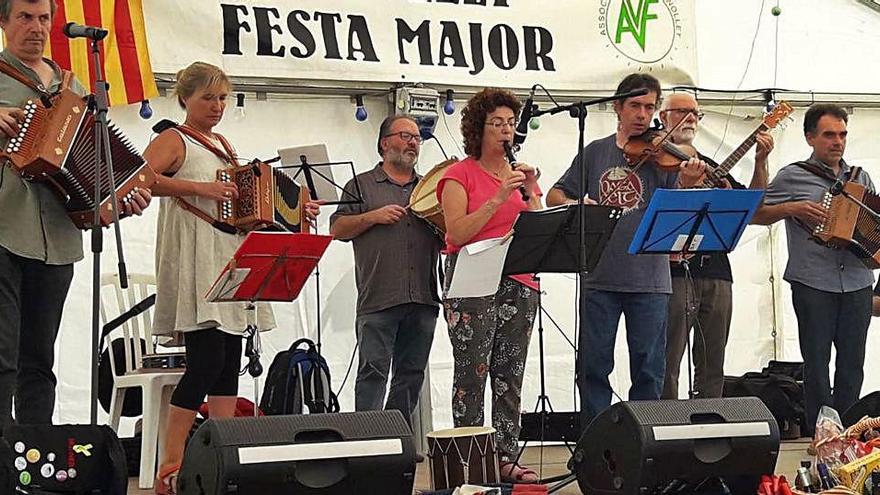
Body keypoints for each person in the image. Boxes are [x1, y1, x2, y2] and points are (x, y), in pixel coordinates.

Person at [146, 61, 319, 494]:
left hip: (227, 253)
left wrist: (296, 209)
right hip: (197, 254)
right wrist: (202, 190)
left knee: (227, 365)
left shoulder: (222, 142)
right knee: (204, 361)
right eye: (208, 97)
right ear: (186, 98)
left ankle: (222, 455)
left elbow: (246, 201)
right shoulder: (174, 138)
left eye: (222, 97)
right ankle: (170, 464)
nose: (217, 106)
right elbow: (141, 178)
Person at [0, 0, 150, 431]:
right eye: (25, 17)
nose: (37, 27)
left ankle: (33, 457)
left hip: (60, 240)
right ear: (5, 22)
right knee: (1, 356)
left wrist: (118, 199)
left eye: (44, 18)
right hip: (5, 231)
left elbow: (94, 158)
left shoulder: (73, 84)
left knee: (39, 359)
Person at [546, 73, 704, 426]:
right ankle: (595, 445)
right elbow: (554, 194)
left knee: (649, 372)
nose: (642, 115)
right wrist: (579, 205)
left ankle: (641, 446)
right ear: (617, 107)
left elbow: (677, 213)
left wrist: (688, 184)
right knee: (593, 366)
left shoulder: (666, 157)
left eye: (650, 107)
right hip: (599, 275)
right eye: (635, 106)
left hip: (649, 279)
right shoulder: (595, 151)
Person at [438, 88, 543, 482]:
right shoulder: (458, 175)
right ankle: (469, 458)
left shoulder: (518, 177)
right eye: (496, 123)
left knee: (509, 371)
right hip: (472, 280)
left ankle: (505, 454)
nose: (505, 131)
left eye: (510, 124)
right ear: (478, 129)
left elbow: (539, 228)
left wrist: (530, 192)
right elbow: (457, 231)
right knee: (472, 371)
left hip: (519, 280)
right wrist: (498, 197)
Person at [752, 103, 873, 436]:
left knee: (852, 364)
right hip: (813, 280)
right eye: (829, 134)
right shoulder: (793, 175)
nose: (837, 141)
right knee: (816, 363)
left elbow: (871, 227)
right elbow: (754, 211)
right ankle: (820, 433)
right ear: (810, 138)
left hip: (857, 280)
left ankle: (847, 432)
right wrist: (791, 207)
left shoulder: (859, 177)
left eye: (842, 134)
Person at [658, 92, 774, 400]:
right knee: (669, 359)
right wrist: (685, 187)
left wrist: (761, 162)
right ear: (662, 117)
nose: (691, 118)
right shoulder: (656, 164)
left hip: (718, 271)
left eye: (695, 113)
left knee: (713, 361)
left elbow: (753, 209)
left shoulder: (709, 166)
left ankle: (708, 421)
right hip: (673, 274)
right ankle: (667, 426)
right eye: (681, 111)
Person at [329, 115, 441, 426]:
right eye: (405, 136)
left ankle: (398, 440)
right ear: (384, 143)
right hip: (378, 295)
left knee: (411, 374)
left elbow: (448, 238)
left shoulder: (430, 189)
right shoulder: (361, 185)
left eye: (417, 138)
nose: (413, 143)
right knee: (373, 372)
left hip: (423, 295)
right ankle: (367, 441)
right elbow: (337, 229)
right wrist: (372, 217)